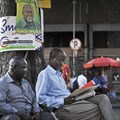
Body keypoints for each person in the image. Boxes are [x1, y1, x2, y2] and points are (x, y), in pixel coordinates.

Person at [35, 48, 116, 120]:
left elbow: (65, 92)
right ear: (52, 59)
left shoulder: (59, 75)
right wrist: (62, 101)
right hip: (63, 108)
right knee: (100, 109)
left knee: (103, 98)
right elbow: (40, 99)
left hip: (73, 101)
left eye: (63, 61)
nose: (62, 63)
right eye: (60, 60)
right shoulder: (45, 74)